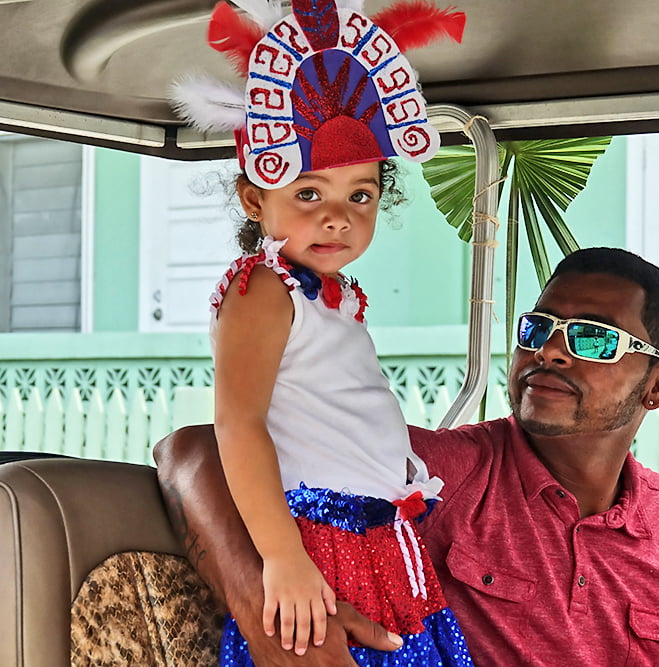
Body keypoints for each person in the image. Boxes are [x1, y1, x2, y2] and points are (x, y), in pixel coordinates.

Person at [155, 247, 659, 666]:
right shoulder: (446, 474)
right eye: (537, 328)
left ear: (658, 386)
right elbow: (190, 452)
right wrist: (265, 608)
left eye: (593, 338)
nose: (549, 351)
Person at [167, 1, 471, 665]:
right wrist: (283, 557)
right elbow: (238, 425)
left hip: (384, 539)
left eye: (360, 195)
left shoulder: (333, 297)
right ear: (255, 199)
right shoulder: (262, 290)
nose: (338, 217)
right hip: (318, 538)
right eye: (309, 194)